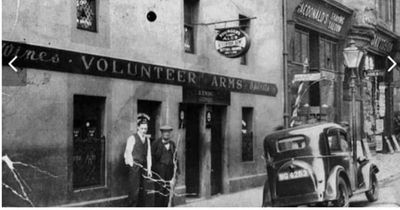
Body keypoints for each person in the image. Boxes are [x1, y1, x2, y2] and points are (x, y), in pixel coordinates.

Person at [124, 118, 152, 207]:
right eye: (142, 128)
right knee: (134, 191)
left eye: (145, 129)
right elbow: (127, 153)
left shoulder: (147, 140)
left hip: (143, 168)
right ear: (138, 128)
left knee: (143, 191)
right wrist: (132, 165)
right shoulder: (132, 138)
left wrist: (149, 169)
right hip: (135, 168)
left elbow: (148, 155)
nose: (144, 131)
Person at [151, 125, 178, 207]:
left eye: (168, 132)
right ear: (161, 133)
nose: (167, 134)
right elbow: (152, 158)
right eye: (165, 132)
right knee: (160, 191)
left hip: (169, 171)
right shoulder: (156, 143)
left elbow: (176, 158)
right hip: (159, 172)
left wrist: (176, 172)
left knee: (169, 191)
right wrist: (154, 172)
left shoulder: (172, 144)